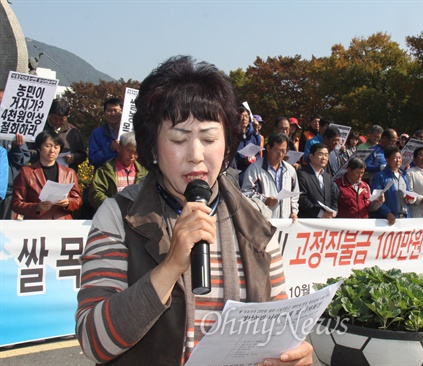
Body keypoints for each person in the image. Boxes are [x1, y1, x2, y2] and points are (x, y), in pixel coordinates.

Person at [75, 56, 312, 366]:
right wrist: (170, 266)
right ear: (152, 146)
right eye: (178, 138)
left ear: (227, 144)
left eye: (209, 138)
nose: (196, 155)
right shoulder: (119, 215)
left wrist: (293, 355)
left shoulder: (254, 220)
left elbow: (280, 326)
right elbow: (94, 342)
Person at [11, 130, 82, 219]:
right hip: (37, 223)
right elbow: (16, 203)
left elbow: (78, 200)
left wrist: (68, 202)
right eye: (48, 146)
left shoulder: (69, 173)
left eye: (56, 147)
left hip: (63, 222)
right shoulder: (26, 172)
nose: (52, 150)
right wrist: (37, 207)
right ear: (39, 148)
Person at [241, 133, 299, 220]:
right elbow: (246, 193)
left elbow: (294, 195)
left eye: (283, 151)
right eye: (277, 151)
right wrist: (265, 200)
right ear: (268, 148)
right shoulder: (255, 169)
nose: (280, 154)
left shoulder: (290, 170)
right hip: (262, 221)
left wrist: (294, 212)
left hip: (285, 223)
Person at [88, 132, 148, 211]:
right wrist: (114, 206)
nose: (132, 156)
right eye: (129, 150)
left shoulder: (144, 173)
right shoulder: (104, 171)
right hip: (112, 216)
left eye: (136, 152)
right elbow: (95, 195)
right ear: (119, 148)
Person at [30, 97, 87, 172]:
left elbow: (82, 154)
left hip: (65, 175)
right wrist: (43, 154)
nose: (57, 122)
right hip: (40, 172)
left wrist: (74, 157)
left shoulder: (73, 132)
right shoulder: (38, 129)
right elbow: (28, 151)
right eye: (54, 118)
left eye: (61, 119)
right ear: (49, 114)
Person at [370, 146, 413, 225]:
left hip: (405, 217)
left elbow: (408, 193)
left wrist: (410, 198)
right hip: (388, 219)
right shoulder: (380, 177)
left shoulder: (403, 175)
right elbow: (376, 199)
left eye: (399, 158)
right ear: (387, 160)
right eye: (395, 158)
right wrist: (387, 213)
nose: (398, 161)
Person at [297, 143, 338, 218]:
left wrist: (334, 211)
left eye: (326, 155)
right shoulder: (302, 174)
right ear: (311, 156)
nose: (324, 158)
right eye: (320, 154)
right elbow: (302, 198)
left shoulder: (328, 176)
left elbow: (333, 196)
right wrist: (320, 213)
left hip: (327, 220)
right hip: (309, 220)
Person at [0, 133, 30, 219]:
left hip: (9, 189)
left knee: (5, 227)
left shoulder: (14, 134)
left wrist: (16, 148)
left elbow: (22, 160)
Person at [88, 98, 123, 170]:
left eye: (116, 110)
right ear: (104, 113)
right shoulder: (97, 134)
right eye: (109, 111)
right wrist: (110, 149)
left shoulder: (131, 132)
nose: (113, 114)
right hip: (105, 177)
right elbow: (92, 159)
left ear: (122, 112)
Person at [231, 105, 262, 185]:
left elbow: (258, 153)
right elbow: (232, 159)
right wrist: (244, 161)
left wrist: (254, 159)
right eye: (242, 116)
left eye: (246, 116)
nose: (244, 119)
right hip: (239, 171)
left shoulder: (252, 134)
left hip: (253, 169)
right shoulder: (233, 135)